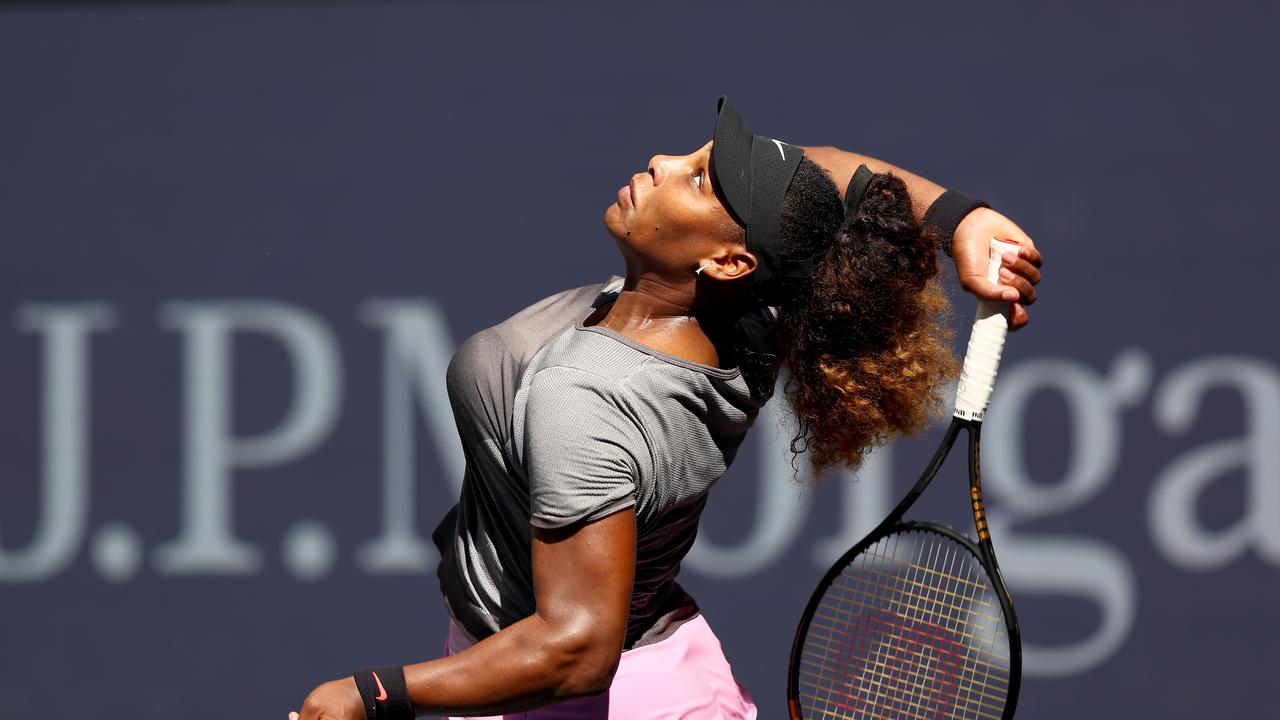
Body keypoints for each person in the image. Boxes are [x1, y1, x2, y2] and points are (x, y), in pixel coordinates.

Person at [289, 96, 1043, 720]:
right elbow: (827, 184)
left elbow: (578, 649)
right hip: (621, 675)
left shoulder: (588, 400)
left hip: (568, 697)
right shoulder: (753, 319)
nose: (661, 161)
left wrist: (374, 693)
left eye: (699, 180)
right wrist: (961, 218)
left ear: (728, 260)